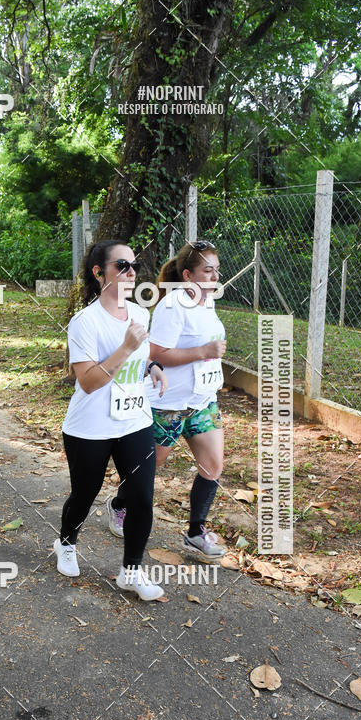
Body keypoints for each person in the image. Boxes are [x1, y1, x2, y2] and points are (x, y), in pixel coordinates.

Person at [54, 240, 168, 602]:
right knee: (85, 494)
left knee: (141, 497)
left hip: (134, 420)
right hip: (90, 426)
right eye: (121, 265)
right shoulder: (84, 322)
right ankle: (66, 542)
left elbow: (137, 360)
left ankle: (130, 571)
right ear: (99, 272)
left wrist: (153, 367)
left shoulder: (140, 314)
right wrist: (127, 347)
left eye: (133, 265)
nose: (131, 272)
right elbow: (87, 382)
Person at [147, 240, 227, 560]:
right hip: (168, 403)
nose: (214, 277)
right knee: (150, 467)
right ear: (188, 275)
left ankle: (195, 533)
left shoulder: (207, 301)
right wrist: (202, 352)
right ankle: (120, 505)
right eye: (207, 271)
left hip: (202, 400)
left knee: (213, 465)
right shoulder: (173, 305)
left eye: (216, 270)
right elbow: (156, 354)